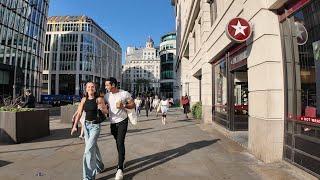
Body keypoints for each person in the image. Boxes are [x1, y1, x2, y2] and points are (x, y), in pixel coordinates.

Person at [71, 82, 108, 180]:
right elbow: (79, 113)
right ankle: (100, 166)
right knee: (93, 147)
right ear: (86, 89)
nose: (90, 88)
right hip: (86, 126)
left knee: (88, 151)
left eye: (92, 87)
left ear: (95, 89)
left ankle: (88, 177)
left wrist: (102, 109)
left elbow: (106, 112)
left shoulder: (99, 99)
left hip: (95, 126)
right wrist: (75, 126)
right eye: (88, 87)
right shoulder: (83, 100)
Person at [104, 77, 135, 180]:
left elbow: (133, 104)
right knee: (117, 142)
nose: (106, 87)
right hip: (112, 123)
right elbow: (102, 105)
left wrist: (124, 105)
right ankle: (122, 157)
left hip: (123, 121)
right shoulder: (106, 96)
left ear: (113, 85)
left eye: (107, 85)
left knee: (120, 142)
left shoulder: (124, 93)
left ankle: (120, 168)